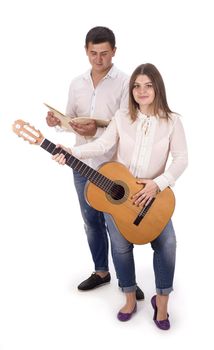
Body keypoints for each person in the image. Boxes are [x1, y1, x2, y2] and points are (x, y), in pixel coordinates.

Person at [52, 63, 188, 330]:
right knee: (121, 247)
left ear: (157, 87)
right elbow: (102, 145)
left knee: (168, 244)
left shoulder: (172, 121)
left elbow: (182, 159)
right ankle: (128, 297)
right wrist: (71, 151)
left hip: (153, 198)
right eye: (136, 86)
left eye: (148, 85)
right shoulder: (122, 116)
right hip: (120, 199)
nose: (141, 90)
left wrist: (158, 184)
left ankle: (161, 303)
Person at [46, 26, 144, 300]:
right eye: (93, 53)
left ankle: (128, 281)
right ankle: (101, 271)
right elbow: (72, 121)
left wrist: (96, 132)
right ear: (86, 51)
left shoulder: (127, 83)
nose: (98, 59)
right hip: (80, 163)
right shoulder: (77, 82)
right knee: (91, 221)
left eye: (104, 53)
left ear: (114, 51)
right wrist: (58, 123)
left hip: (114, 166)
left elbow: (128, 125)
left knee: (119, 224)